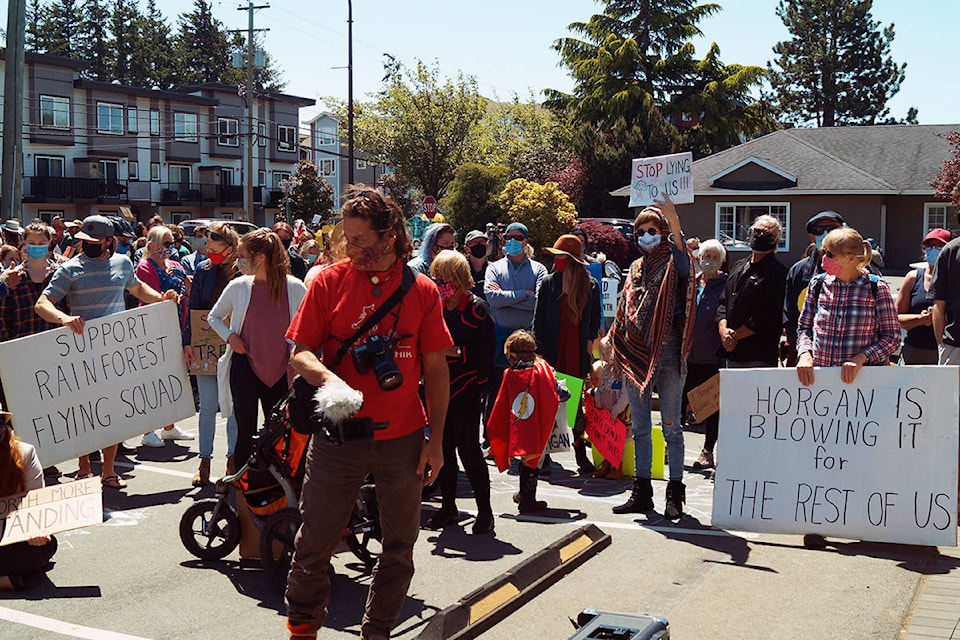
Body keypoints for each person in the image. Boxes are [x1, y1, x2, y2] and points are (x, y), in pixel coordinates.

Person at [283, 186, 452, 640]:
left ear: (391, 235)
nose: (350, 248)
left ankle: (376, 632)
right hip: (339, 434)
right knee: (315, 542)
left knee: (400, 545)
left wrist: (436, 442)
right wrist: (330, 380)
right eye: (347, 239)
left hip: (403, 437)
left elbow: (436, 370)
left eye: (359, 240)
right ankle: (303, 632)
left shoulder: (422, 290)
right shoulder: (327, 279)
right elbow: (300, 352)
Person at [35, 215, 180, 488]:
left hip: (115, 350)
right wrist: (63, 318)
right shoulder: (70, 268)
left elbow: (137, 288)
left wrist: (162, 299)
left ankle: (109, 471)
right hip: (80, 350)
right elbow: (43, 303)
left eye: (94, 241)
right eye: (84, 241)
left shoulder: (123, 263)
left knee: (112, 413)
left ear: (108, 242)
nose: (88, 245)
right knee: (83, 412)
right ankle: (83, 469)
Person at [795, 226, 900, 549]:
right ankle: (819, 521)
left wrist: (862, 358)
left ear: (852, 259)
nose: (823, 259)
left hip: (862, 393)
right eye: (823, 252)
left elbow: (892, 337)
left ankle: (864, 520)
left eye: (830, 254)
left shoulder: (875, 288)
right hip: (822, 389)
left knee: (860, 458)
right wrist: (804, 353)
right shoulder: (817, 285)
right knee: (822, 457)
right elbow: (804, 326)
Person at [600, 197, 695, 520]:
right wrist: (613, 339)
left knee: (672, 426)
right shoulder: (636, 268)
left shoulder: (672, 260)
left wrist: (674, 221)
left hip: (668, 348)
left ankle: (675, 494)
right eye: (640, 231)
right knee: (640, 426)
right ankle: (641, 492)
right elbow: (626, 310)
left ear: (664, 231)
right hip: (635, 350)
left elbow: (683, 260)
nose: (645, 236)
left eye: (652, 230)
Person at [208, 229, 306, 469]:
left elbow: (307, 326)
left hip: (282, 371)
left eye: (242, 256)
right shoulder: (238, 286)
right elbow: (214, 317)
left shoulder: (295, 288)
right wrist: (231, 337)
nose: (238, 261)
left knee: (280, 433)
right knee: (245, 432)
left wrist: (299, 356)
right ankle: (243, 486)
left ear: (259, 258)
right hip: (245, 369)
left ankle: (276, 485)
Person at [424, 249, 495, 533]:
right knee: (443, 449)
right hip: (440, 387)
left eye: (444, 278)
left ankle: (485, 512)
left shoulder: (477, 308)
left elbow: (486, 354)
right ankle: (448, 508)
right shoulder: (439, 307)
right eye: (437, 278)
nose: (440, 283)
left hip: (467, 389)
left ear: (457, 277)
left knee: (469, 450)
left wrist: (454, 351)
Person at [533, 234, 602, 473]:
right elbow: (538, 321)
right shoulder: (549, 283)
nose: (556, 260)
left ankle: (580, 453)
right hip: (552, 352)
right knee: (548, 404)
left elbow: (595, 318)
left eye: (560, 256)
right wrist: (538, 354)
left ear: (570, 259)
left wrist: (590, 341)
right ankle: (545, 455)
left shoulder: (589, 285)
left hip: (575, 352)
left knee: (573, 406)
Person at [184, 222, 241, 484]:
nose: (208, 252)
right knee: (207, 406)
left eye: (213, 248)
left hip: (234, 344)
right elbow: (193, 307)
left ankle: (233, 460)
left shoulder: (242, 271)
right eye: (206, 247)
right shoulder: (202, 270)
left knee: (232, 406)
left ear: (229, 249)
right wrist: (188, 342)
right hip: (206, 345)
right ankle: (204, 461)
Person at [133, 225, 194, 447]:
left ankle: (168, 426)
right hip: (153, 328)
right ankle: (148, 428)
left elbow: (186, 293)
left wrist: (187, 286)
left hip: (176, 325)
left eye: (173, 243)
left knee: (171, 375)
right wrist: (164, 296)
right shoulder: (144, 267)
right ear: (152, 245)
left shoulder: (176, 265)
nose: (171, 247)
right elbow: (147, 295)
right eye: (166, 244)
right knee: (152, 377)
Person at [487, 330, 560, 513]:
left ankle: (525, 496)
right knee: (532, 459)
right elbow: (557, 392)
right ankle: (527, 499)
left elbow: (501, 404)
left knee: (524, 458)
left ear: (512, 355)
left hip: (519, 425)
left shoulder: (510, 374)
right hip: (538, 425)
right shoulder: (543, 370)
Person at [484, 222, 548, 418]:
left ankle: (526, 439)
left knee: (527, 394)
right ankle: (491, 439)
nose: (512, 241)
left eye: (518, 237)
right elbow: (492, 298)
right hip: (500, 338)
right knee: (496, 392)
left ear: (526, 241)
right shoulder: (494, 268)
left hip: (528, 343)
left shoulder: (539, 270)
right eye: (508, 237)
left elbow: (538, 302)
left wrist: (506, 299)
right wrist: (523, 294)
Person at [717, 215, 788, 368]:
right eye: (757, 231)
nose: (760, 235)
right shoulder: (738, 266)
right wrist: (723, 331)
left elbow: (766, 315)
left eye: (767, 234)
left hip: (758, 356)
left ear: (776, 242)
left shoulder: (778, 273)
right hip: (731, 352)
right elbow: (724, 301)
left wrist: (735, 337)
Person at [0, 407, 58, 591]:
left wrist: (36, 530)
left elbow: (36, 500)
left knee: (45, 546)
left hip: (12, 536)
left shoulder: (24, 453)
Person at [682, 239, 727, 470]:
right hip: (686, 354)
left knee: (711, 405)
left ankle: (707, 451)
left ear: (721, 261)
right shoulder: (692, 282)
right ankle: (672, 446)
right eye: (705, 256)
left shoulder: (725, 284)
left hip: (712, 355)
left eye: (714, 257)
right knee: (680, 401)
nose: (708, 261)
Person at [898, 229, 950, 364]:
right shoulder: (912, 278)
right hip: (915, 352)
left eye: (939, 246)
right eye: (929, 246)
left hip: (947, 352)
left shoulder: (954, 279)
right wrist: (921, 319)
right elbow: (897, 319)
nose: (933, 250)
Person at [463, 230, 489, 300]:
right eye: (474, 242)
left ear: (487, 246)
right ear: (466, 248)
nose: (479, 245)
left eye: (481, 242)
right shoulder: (461, 271)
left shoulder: (494, 270)